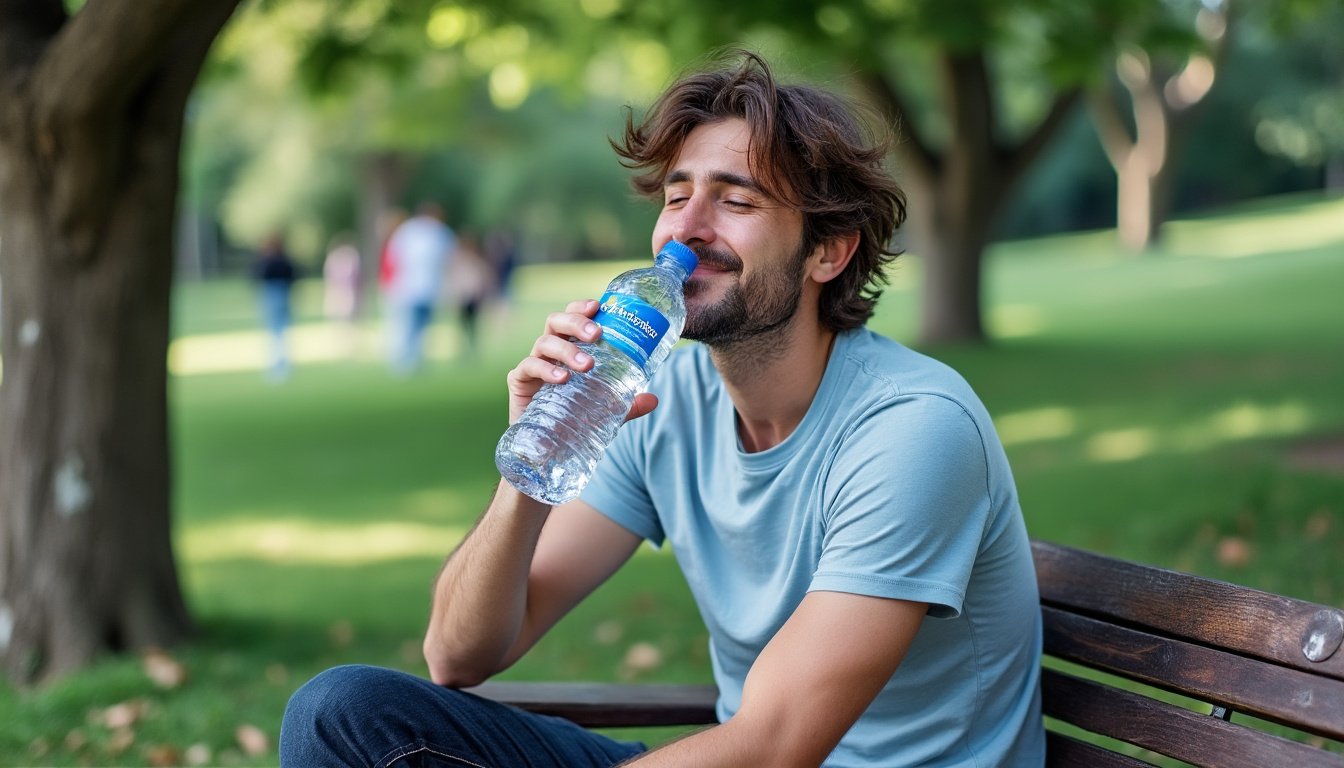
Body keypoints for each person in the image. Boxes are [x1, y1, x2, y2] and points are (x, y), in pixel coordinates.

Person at [281, 50, 1044, 767]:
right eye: (677, 197)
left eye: (735, 200)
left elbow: (774, 744)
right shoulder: (660, 396)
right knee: (342, 712)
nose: (685, 228)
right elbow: (458, 654)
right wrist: (533, 456)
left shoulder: (912, 428)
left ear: (828, 251)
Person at [385, 202, 456, 374]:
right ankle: (404, 362)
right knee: (408, 325)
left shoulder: (440, 233)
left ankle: (415, 359)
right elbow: (395, 258)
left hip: (429, 289)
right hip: (409, 288)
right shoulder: (410, 231)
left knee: (422, 327)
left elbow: (448, 261)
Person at [252, 233, 298, 382]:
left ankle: (278, 365)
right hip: (282, 295)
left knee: (276, 332)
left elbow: (258, 276)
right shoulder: (283, 260)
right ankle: (281, 365)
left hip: (274, 295)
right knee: (279, 332)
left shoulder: (269, 261)